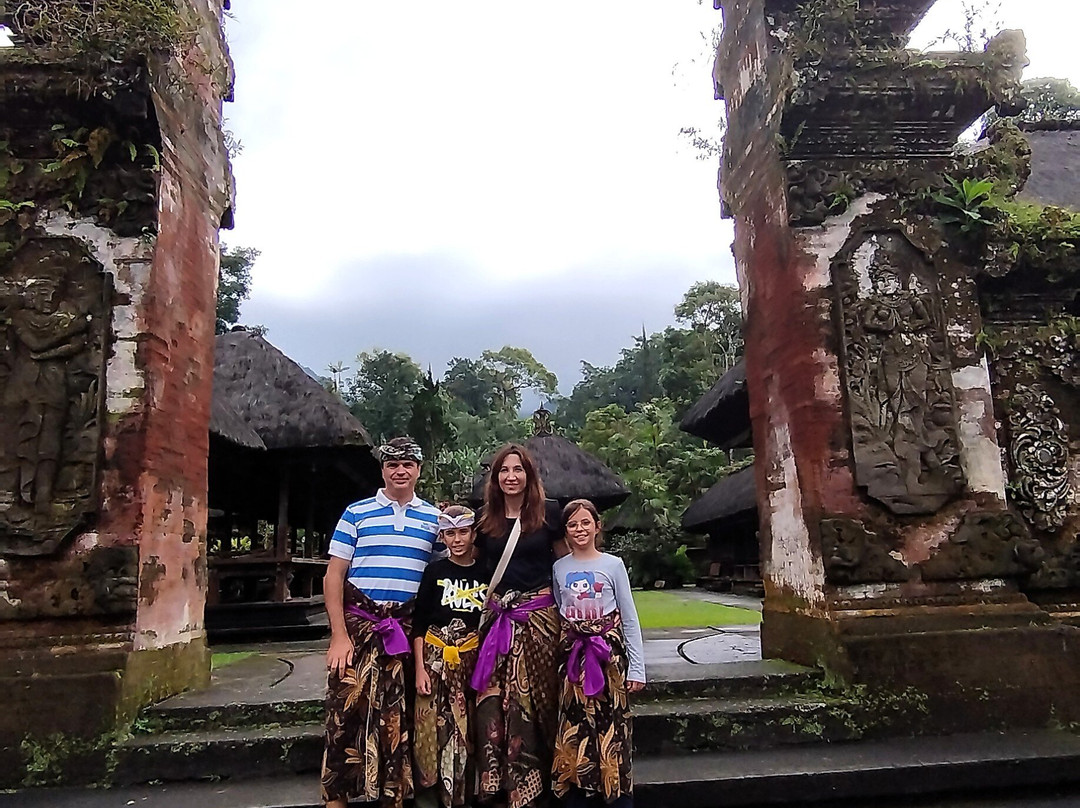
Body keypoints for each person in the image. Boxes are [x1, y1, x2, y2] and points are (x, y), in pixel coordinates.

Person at [321, 437, 442, 808]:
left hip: (405, 630)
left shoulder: (435, 520)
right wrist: (339, 635)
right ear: (383, 470)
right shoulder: (356, 513)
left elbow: (440, 576)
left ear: (419, 469)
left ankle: (393, 793)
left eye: (407, 464)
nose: (400, 471)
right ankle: (337, 797)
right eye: (392, 464)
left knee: (400, 715)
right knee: (345, 711)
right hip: (359, 627)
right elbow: (334, 576)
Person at [471, 443, 564, 808]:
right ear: (495, 478)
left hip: (539, 620)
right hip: (497, 623)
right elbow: (474, 569)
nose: (511, 477)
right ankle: (499, 785)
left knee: (538, 701)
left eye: (518, 470)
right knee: (493, 704)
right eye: (504, 471)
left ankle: (541, 784)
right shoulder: (485, 520)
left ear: (529, 475)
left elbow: (565, 569)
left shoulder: (549, 514)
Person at [550, 499, 645, 808]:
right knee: (575, 727)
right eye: (573, 525)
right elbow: (561, 612)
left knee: (612, 728)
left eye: (585, 523)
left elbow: (628, 617)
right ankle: (578, 793)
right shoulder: (559, 568)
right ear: (565, 531)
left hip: (609, 658)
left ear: (597, 526)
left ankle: (617, 796)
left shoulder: (613, 565)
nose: (580, 529)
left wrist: (637, 669)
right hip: (574, 659)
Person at [413, 504, 489, 808]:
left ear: (472, 534)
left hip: (473, 662)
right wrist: (419, 669)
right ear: (442, 537)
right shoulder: (435, 571)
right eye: (449, 534)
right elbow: (419, 623)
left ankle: (465, 796)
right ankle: (431, 799)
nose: (456, 540)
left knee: (470, 730)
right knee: (430, 730)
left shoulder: (487, 571)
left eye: (462, 532)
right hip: (434, 660)